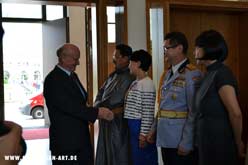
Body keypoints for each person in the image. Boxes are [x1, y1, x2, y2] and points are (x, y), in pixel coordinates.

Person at [43, 43, 114, 165]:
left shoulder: (73, 76)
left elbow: (80, 102)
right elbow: (70, 107)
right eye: (75, 59)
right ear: (63, 58)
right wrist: (97, 113)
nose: (78, 63)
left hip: (80, 140)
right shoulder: (53, 79)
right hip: (65, 143)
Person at [147, 32, 201, 165]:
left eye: (167, 48)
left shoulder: (192, 74)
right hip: (166, 137)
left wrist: (187, 141)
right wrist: (154, 129)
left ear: (179, 48)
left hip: (181, 139)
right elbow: (162, 106)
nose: (164, 51)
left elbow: (194, 111)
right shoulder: (166, 74)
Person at [193, 29, 245, 165]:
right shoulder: (209, 73)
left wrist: (238, 141)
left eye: (198, 47)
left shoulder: (222, 73)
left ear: (209, 49)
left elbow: (235, 113)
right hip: (208, 141)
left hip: (220, 143)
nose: (195, 52)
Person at [94, 44, 135, 165]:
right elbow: (100, 92)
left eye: (116, 56)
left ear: (126, 58)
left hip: (118, 122)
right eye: (114, 56)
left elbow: (115, 99)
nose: (114, 59)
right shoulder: (112, 75)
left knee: (119, 154)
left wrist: (103, 108)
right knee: (104, 153)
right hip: (105, 120)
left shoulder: (130, 77)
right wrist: (97, 107)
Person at [124, 50, 158, 165]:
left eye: (131, 63)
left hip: (140, 126)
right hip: (133, 125)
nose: (129, 66)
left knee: (144, 159)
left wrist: (143, 135)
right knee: (136, 159)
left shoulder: (147, 83)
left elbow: (148, 112)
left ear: (138, 63)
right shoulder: (135, 82)